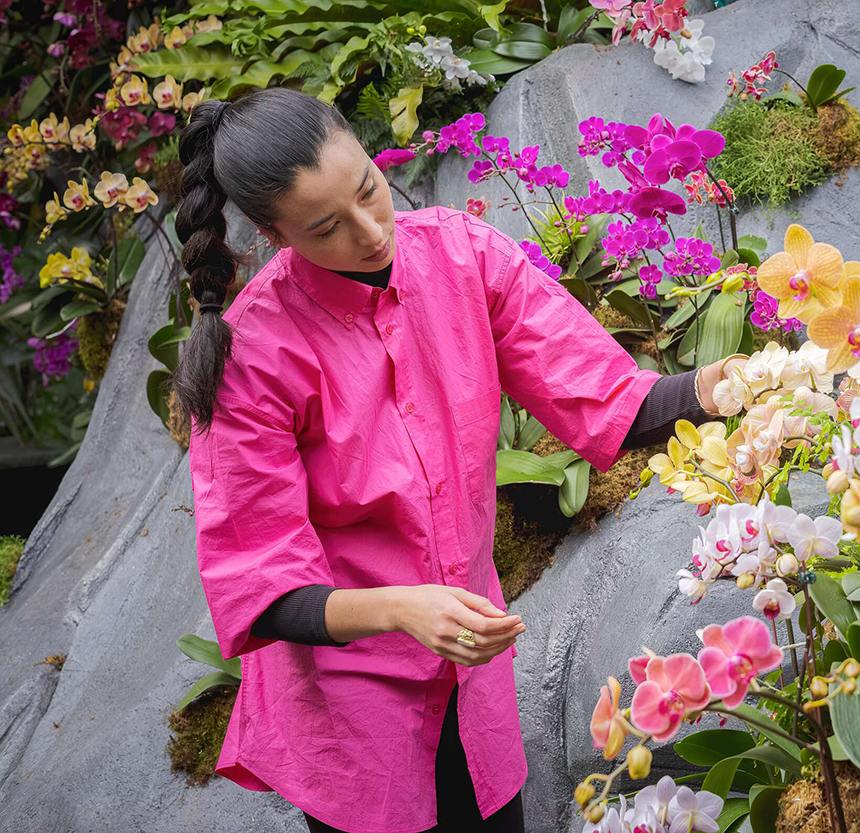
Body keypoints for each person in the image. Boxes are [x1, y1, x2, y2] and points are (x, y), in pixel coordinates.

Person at [178, 87, 746, 833]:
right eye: (326, 228)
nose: (369, 230)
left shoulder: (461, 254)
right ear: (271, 233)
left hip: (470, 681)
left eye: (369, 191)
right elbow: (263, 586)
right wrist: (400, 608)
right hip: (351, 705)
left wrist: (717, 384)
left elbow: (604, 399)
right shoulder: (250, 353)